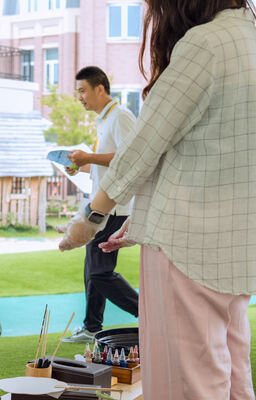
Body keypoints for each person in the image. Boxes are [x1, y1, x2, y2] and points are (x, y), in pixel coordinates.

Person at [59, 1, 255, 398]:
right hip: (235, 248)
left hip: (187, 248)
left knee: (189, 383)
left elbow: (143, 147)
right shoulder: (248, 36)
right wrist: (142, 221)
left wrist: (91, 216)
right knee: (233, 376)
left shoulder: (204, 44)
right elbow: (210, 153)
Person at [60, 66, 138, 343]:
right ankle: (92, 326)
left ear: (100, 89)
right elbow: (109, 163)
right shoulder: (104, 120)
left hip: (115, 206)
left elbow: (129, 158)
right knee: (91, 268)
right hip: (100, 206)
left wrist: (89, 157)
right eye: (77, 92)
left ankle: (148, 314)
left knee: (99, 271)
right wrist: (80, 166)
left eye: (82, 90)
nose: (79, 97)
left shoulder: (121, 117)